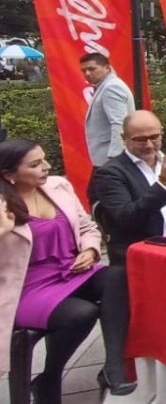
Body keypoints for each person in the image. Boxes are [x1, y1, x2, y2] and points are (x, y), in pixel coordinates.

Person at [0, 139, 134, 402]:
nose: (46, 167)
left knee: (117, 275)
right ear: (9, 175)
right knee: (81, 313)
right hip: (27, 288)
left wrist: (91, 250)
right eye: (35, 164)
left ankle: (114, 366)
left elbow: (87, 227)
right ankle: (49, 377)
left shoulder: (58, 187)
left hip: (71, 270)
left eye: (44, 160)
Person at [86, 111, 166, 266]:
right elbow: (127, 218)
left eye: (154, 137)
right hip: (142, 256)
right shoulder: (109, 173)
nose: (148, 144)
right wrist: (164, 183)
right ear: (124, 139)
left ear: (161, 133)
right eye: (140, 140)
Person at [80, 53, 136, 168]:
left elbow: (119, 122)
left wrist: (116, 157)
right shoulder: (107, 86)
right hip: (108, 158)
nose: (87, 73)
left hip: (110, 159)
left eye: (92, 69)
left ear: (107, 68)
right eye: (84, 70)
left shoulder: (111, 87)